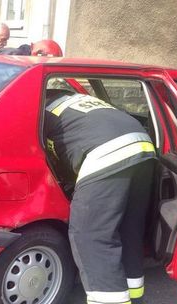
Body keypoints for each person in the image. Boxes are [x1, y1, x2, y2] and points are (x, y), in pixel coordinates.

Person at [44, 90, 156, 304]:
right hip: (143, 145)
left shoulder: (41, 112)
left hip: (106, 151)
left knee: (91, 234)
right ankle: (135, 296)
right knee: (128, 229)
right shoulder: (78, 101)